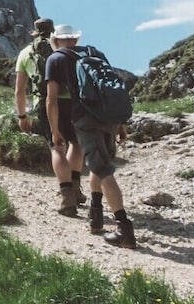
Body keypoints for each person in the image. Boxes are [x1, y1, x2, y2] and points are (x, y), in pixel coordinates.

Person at [43, 24, 136, 248]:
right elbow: (112, 88)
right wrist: (121, 124)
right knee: (98, 165)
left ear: (56, 40)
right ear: (75, 39)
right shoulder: (96, 53)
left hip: (85, 119)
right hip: (109, 118)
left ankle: (124, 229)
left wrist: (55, 130)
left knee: (103, 170)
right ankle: (96, 215)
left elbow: (51, 99)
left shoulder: (55, 59)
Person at [14, 18, 86, 217]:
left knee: (57, 147)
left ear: (35, 32)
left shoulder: (26, 53)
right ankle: (76, 189)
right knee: (76, 144)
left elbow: (20, 90)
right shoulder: (68, 50)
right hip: (74, 102)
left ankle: (67, 198)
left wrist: (22, 115)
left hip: (46, 104)